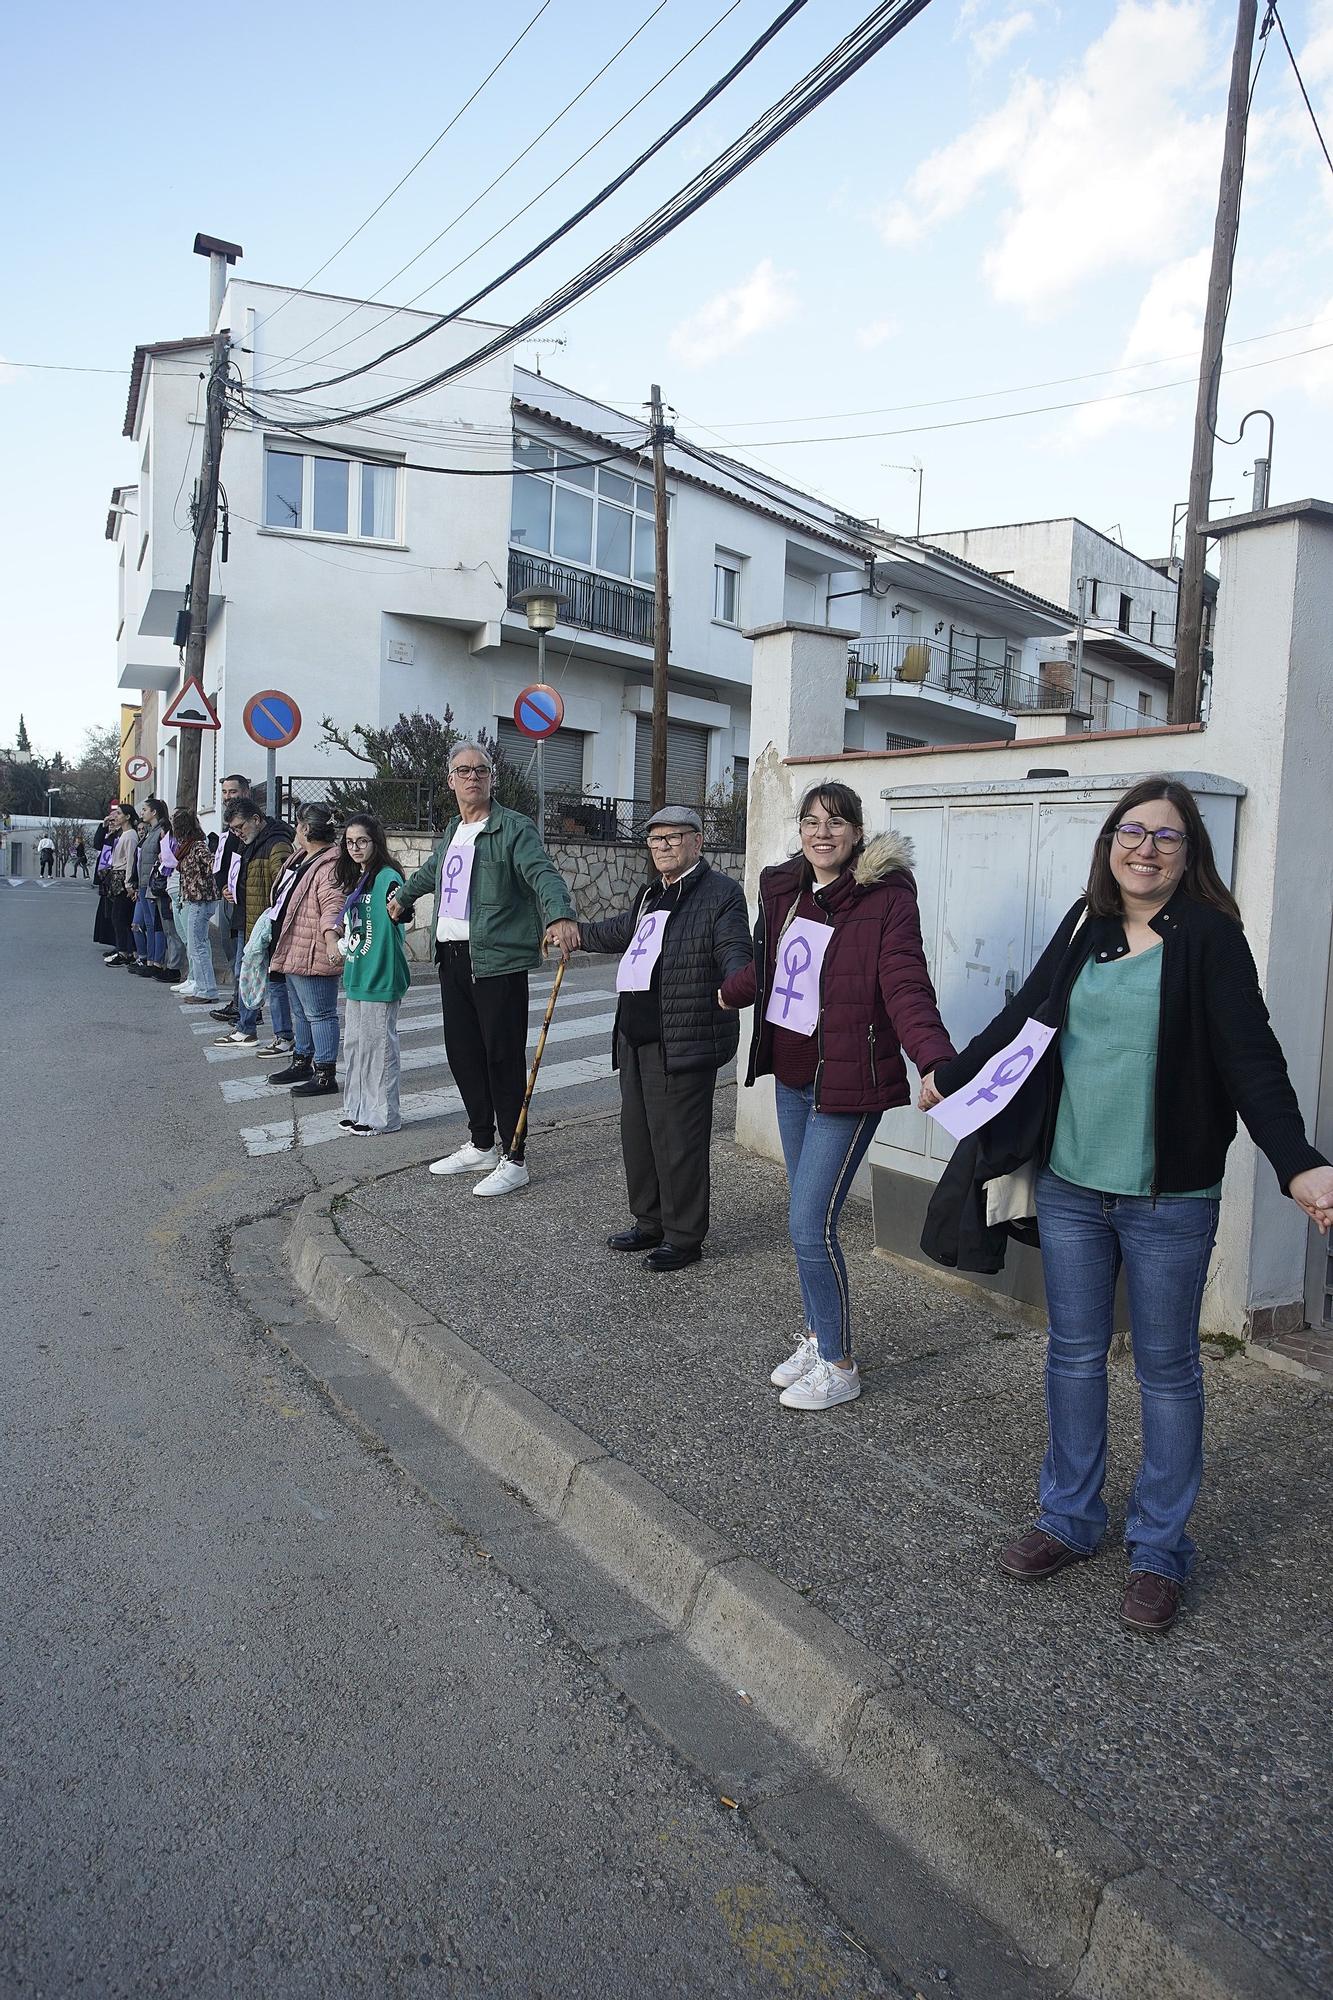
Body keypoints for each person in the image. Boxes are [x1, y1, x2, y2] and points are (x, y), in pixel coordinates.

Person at [918, 777, 1333, 1635]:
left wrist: (1297, 1163)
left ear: (1190, 855)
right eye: (1130, 832)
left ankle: (1157, 1551)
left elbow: (1250, 1060)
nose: (1145, 849)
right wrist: (950, 1079)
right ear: (1110, 843)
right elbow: (1025, 1017)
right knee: (1071, 1354)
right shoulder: (1085, 926)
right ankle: (1067, 1519)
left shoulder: (1210, 941)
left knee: (1166, 1370)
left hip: (1168, 1198)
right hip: (1071, 1187)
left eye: (1166, 837)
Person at [720, 782, 954, 1413]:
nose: (822, 832)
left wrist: (933, 1058)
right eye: (811, 821)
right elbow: (771, 968)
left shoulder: (883, 901)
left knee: (807, 1224)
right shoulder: (785, 890)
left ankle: (840, 1363)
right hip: (794, 1076)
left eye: (837, 823)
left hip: (847, 1085)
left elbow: (906, 985)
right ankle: (823, 1334)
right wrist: (727, 992)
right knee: (807, 1219)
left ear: (856, 832)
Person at [388, 741, 579, 1198]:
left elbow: (542, 873)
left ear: (491, 778)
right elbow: (432, 871)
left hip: (497, 961)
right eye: (463, 770)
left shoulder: (513, 828)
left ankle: (515, 1157)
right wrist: (404, 897)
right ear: (450, 780)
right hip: (453, 958)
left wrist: (558, 913)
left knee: (502, 1059)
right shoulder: (454, 828)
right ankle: (481, 1144)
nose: (473, 777)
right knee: (463, 1055)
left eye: (482, 770)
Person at [574, 806, 750, 1270]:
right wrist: (577, 934)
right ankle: (649, 1221)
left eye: (674, 837)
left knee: (680, 1142)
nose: (664, 846)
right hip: (636, 1034)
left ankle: (685, 1236)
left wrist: (737, 980)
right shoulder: (651, 893)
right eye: (655, 840)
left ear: (697, 842)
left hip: (683, 1037)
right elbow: (620, 932)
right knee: (640, 1135)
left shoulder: (721, 894)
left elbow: (734, 947)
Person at [334, 813, 410, 1134]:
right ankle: (357, 1109)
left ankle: (383, 1117)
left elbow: (400, 909)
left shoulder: (388, 877)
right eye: (350, 842)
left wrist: (402, 907)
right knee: (354, 1046)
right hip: (357, 972)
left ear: (375, 841)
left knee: (379, 1048)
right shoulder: (359, 877)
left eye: (362, 841)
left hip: (380, 973)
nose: (355, 847)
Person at [266, 804, 345, 1096]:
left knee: (320, 1014)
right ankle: (303, 1061)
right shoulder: (302, 857)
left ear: (307, 829)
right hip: (293, 945)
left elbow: (333, 906)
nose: (295, 829)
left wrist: (330, 939)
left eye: (298, 824)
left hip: (313, 948)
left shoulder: (330, 865)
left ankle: (325, 1074)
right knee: (301, 1012)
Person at [213, 798, 292, 1048]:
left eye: (240, 827)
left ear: (256, 820)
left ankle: (284, 1037)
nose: (237, 833)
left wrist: (271, 923)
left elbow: (284, 889)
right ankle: (245, 1028)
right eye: (233, 830)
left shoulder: (277, 844)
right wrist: (229, 889)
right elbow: (243, 878)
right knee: (246, 976)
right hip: (247, 922)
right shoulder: (247, 842)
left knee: (275, 983)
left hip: (269, 927)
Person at [211, 773, 257, 1023]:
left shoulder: (249, 826)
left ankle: (248, 1008)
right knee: (231, 953)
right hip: (227, 898)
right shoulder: (226, 826)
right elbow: (221, 863)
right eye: (225, 792)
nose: (228, 797)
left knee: (242, 959)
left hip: (243, 903)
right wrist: (221, 887)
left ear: (245, 793)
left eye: (233, 792)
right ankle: (238, 1002)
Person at [170, 808, 222, 1003]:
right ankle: (202, 987)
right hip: (195, 899)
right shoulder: (190, 845)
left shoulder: (197, 846)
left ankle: (206, 990)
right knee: (196, 946)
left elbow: (212, 864)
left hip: (200, 900)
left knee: (197, 946)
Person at [107, 804, 139, 965]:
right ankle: (126, 949)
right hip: (117, 875)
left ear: (127, 817)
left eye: (119, 814)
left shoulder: (131, 835)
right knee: (120, 916)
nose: (116, 817)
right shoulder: (123, 834)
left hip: (122, 877)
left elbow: (130, 860)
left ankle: (125, 951)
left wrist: (128, 882)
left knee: (120, 916)